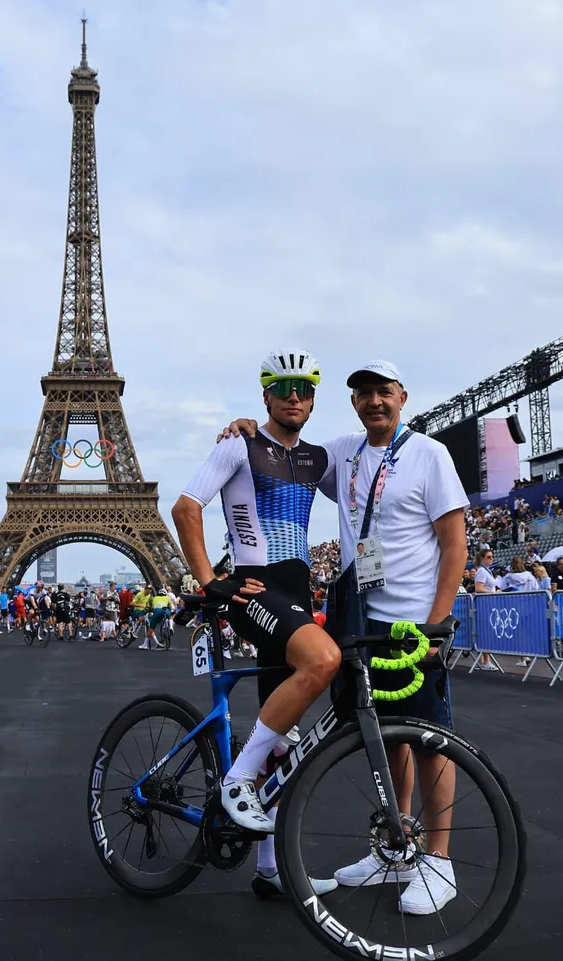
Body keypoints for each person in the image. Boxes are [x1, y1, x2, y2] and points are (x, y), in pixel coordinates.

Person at [217, 358, 470, 916]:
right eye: (363, 394)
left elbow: (455, 542)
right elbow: (280, 449)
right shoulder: (343, 453)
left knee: (430, 738)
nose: (374, 401)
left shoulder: (430, 454)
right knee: (390, 737)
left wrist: (437, 621)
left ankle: (440, 861)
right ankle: (395, 853)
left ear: (402, 395)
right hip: (363, 620)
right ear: (352, 403)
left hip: (414, 620)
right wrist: (246, 430)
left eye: (384, 392)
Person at [172, 348, 340, 900]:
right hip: (254, 587)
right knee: (322, 660)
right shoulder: (238, 444)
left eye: (305, 388)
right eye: (283, 386)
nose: (295, 396)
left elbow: (373, 482)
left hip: (296, 588)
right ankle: (235, 782)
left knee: (282, 739)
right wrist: (206, 581)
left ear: (314, 398)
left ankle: (269, 867)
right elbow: (186, 507)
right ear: (265, 393)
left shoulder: (320, 457)